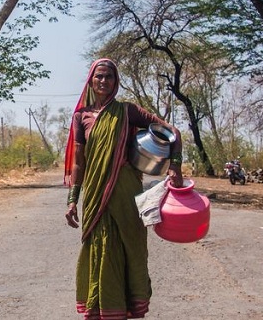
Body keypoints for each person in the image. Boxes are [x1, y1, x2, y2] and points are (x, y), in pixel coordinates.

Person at [64, 58, 184, 319]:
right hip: (96, 196)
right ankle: (101, 308)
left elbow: (172, 131)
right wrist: (72, 199)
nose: (103, 81)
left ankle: (127, 306)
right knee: (100, 247)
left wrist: (175, 167)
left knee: (130, 247)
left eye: (108, 77)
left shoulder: (127, 111)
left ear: (115, 81)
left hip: (127, 194)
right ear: (91, 81)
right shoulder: (80, 117)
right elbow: (78, 162)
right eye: (99, 77)